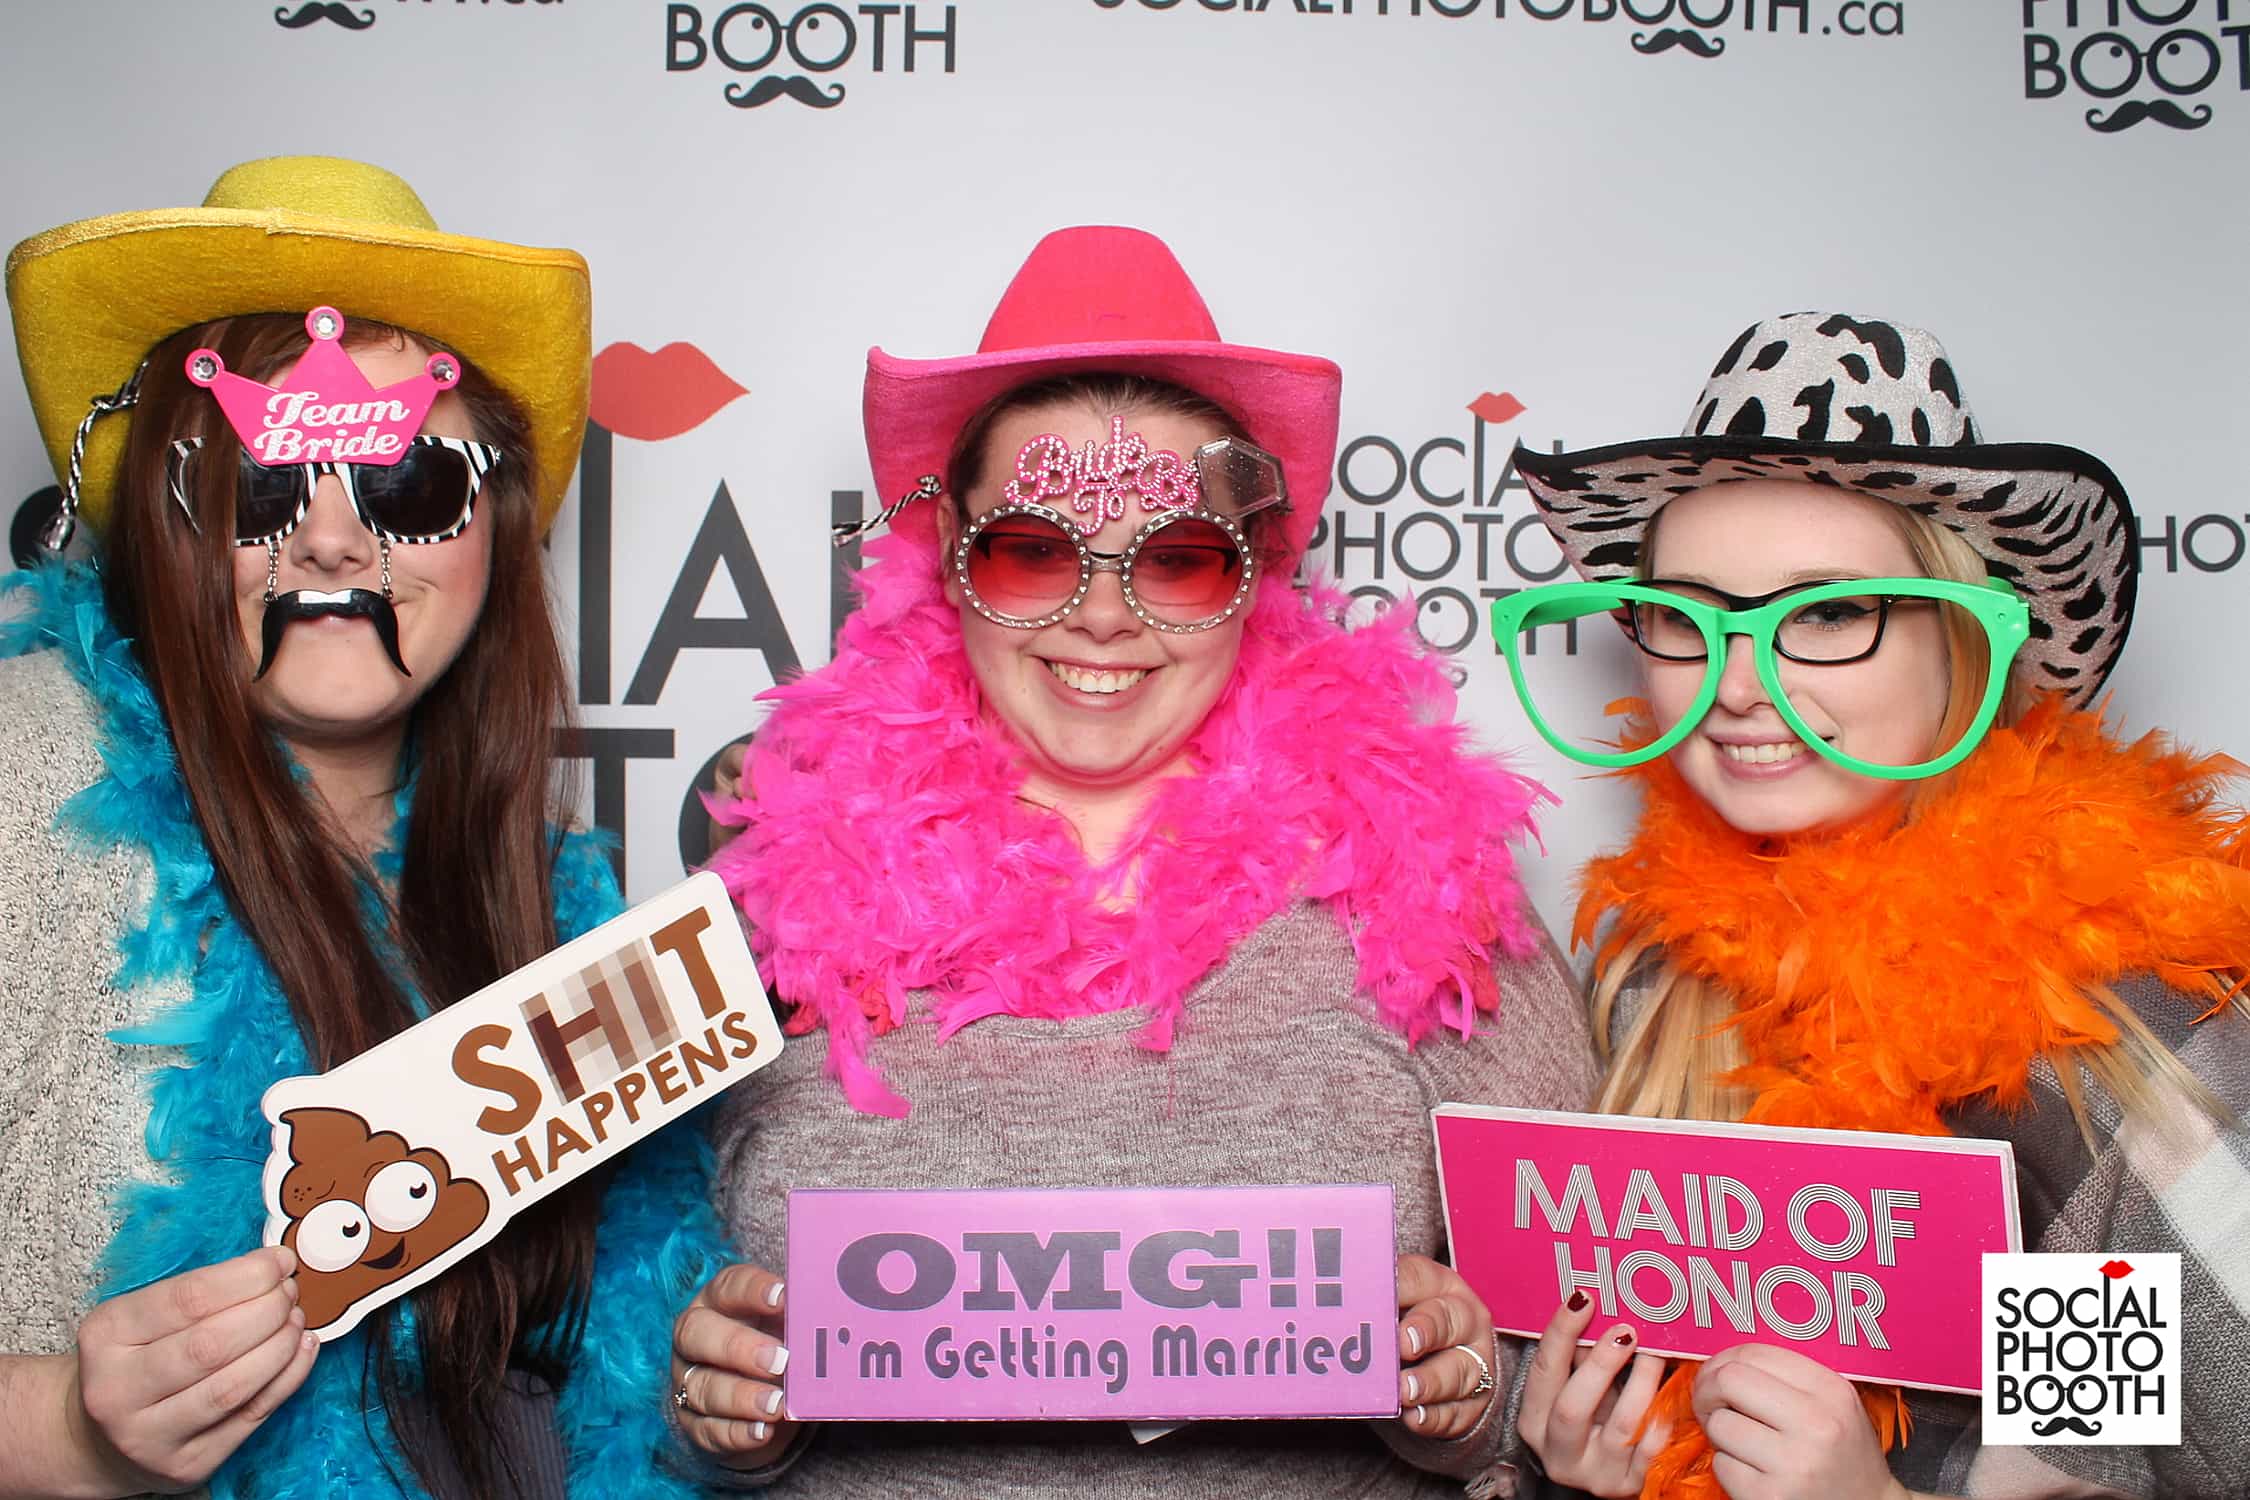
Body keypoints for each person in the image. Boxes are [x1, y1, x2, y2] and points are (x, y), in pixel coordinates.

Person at [668, 226, 1599, 1495]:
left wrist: (1466, 1394)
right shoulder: (780, 887)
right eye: (1033, 550)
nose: (1103, 614)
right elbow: (629, 1311)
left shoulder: (1426, 877)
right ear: (949, 558)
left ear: (1253, 575)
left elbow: (1584, 1360)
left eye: (1176, 558)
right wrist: (718, 1401)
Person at [0, 157, 731, 1499]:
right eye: (260, 487)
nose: (332, 543)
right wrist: (56, 1431)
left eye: (406, 487)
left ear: (494, 530)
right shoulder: (23, 786)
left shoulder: (548, 894)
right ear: (159, 518)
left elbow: (604, 1362)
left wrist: (707, 1394)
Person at [1489, 313, 2250, 1499]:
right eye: (1686, 616)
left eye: (1832, 613)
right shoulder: (1653, 979)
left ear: (1965, 639)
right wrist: (1586, 1470)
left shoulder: (2095, 1050)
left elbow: (2113, 1464)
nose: (1740, 685)